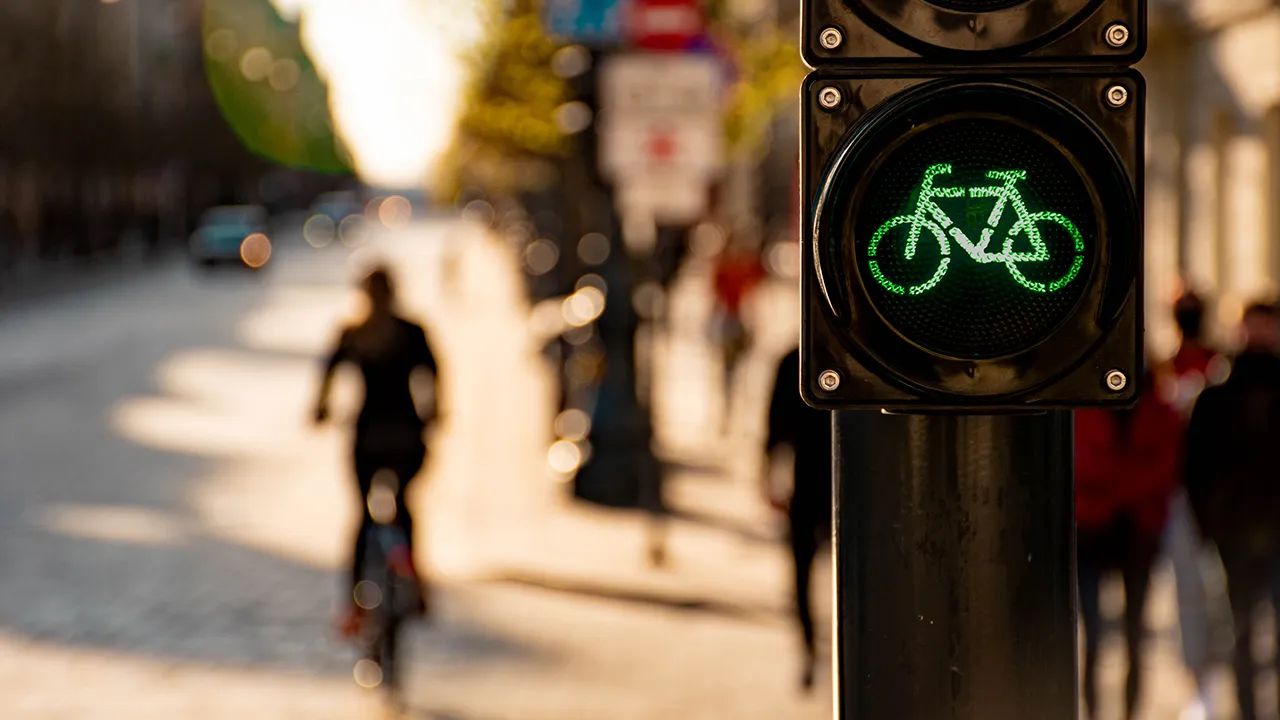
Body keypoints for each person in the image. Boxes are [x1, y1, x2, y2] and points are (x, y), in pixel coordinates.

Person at [313, 267, 439, 637]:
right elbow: (434, 373)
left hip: (367, 434)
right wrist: (434, 411)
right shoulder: (411, 331)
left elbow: (328, 374)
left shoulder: (355, 333)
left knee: (362, 515)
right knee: (404, 506)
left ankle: (353, 604)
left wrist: (320, 409)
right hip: (406, 433)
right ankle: (414, 581)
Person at [1185, 302, 1280, 720]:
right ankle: (1248, 710)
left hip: (1265, 526)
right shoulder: (1218, 395)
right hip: (1236, 531)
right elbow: (1196, 466)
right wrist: (1210, 523)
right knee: (1241, 629)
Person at [1075, 365, 1182, 720]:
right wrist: (1127, 485)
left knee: (1134, 634)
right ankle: (1091, 711)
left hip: (1137, 533)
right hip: (1093, 532)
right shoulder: (1084, 406)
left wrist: (1114, 488)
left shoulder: (1159, 409)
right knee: (1091, 633)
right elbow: (1082, 464)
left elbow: (1164, 469)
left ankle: (1130, 712)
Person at [1165, 290, 1231, 720]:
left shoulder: (1220, 368)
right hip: (1179, 496)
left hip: (1217, 497)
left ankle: (1218, 681)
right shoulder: (1165, 368)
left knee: (1219, 595)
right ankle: (1200, 685)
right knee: (1190, 594)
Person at [763, 348, 833, 692]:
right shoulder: (839, 358)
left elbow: (773, 428)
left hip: (806, 476)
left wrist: (768, 475)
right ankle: (816, 644)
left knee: (802, 569)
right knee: (836, 567)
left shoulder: (793, 360)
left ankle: (809, 646)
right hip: (836, 478)